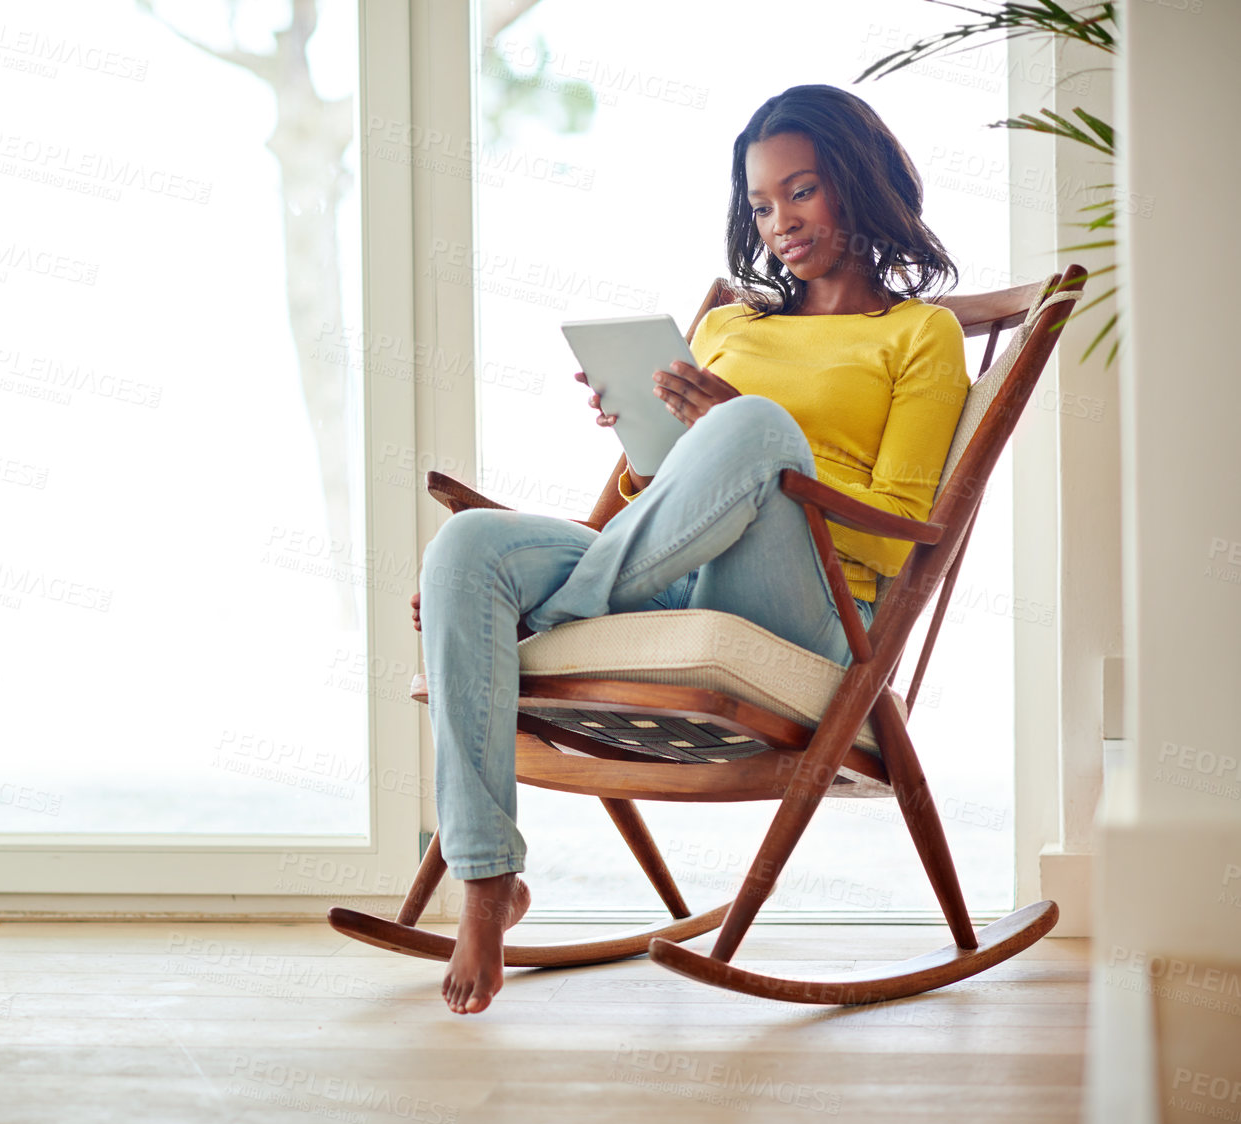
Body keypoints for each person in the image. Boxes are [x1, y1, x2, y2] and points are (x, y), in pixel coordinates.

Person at [411, 83, 972, 1014]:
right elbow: (662, 494)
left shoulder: (918, 334)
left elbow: (896, 532)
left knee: (752, 424)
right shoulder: (729, 325)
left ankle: (543, 612)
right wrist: (642, 440)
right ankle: (485, 880)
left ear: (857, 184)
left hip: (815, 608)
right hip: (666, 573)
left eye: (801, 191)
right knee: (470, 543)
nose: (779, 221)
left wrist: (751, 437)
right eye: (760, 204)